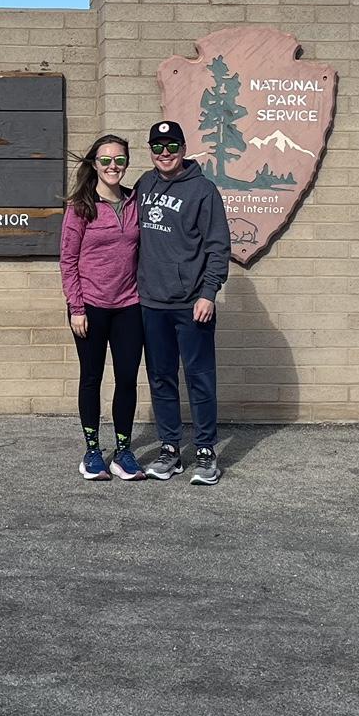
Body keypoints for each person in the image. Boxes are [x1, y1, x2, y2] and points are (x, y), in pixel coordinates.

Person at [134, 119, 230, 485]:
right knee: (161, 378)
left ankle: (205, 453)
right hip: (151, 302)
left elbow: (218, 246)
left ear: (183, 149)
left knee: (199, 378)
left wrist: (208, 293)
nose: (164, 154)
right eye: (157, 147)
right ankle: (170, 449)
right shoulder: (144, 184)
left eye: (171, 147)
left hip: (192, 304)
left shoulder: (203, 190)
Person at [59, 134, 144, 480]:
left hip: (129, 305)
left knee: (127, 378)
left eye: (120, 160)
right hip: (90, 306)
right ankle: (92, 452)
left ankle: (123, 451)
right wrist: (76, 306)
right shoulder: (81, 206)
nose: (113, 166)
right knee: (91, 377)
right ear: (94, 164)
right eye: (106, 160)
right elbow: (67, 260)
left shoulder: (136, 201)